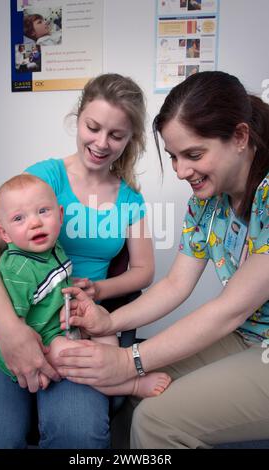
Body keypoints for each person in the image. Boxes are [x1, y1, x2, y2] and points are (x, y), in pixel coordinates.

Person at [54, 71, 269, 449]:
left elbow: (230, 310)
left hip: (251, 339)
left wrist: (127, 361)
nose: (181, 171)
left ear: (239, 137)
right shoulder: (207, 204)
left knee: (155, 422)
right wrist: (110, 320)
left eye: (194, 154)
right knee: (140, 390)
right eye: (173, 156)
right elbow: (174, 284)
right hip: (247, 336)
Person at [0, 73, 154, 449]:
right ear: (78, 118)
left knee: (78, 435)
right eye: (93, 127)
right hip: (12, 309)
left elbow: (144, 270)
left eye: (117, 135)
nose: (101, 143)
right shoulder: (45, 176)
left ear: (130, 139)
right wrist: (8, 330)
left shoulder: (130, 200)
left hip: (74, 321)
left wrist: (99, 289)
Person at [0, 173, 170, 397]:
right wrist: (36, 358)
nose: (35, 223)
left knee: (105, 334)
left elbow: (49, 283)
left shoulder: (53, 246)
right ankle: (132, 386)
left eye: (43, 211)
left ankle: (117, 371)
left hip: (60, 321)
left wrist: (74, 290)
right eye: (19, 219)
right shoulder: (18, 270)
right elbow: (15, 326)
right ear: (4, 233)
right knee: (78, 359)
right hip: (40, 340)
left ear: (60, 216)